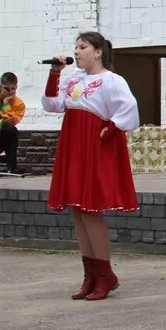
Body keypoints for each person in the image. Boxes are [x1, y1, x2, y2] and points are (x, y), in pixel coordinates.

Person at [42, 32, 140, 301]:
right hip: (73, 143)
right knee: (77, 210)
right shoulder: (74, 78)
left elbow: (129, 109)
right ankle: (90, 274)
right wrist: (55, 74)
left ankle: (105, 273)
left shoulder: (111, 80)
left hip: (93, 145)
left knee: (90, 210)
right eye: (76, 47)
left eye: (83, 47)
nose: (78, 51)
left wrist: (110, 128)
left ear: (98, 52)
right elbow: (53, 105)